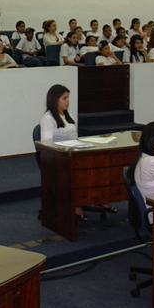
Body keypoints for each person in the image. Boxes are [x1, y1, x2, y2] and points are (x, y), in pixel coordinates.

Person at [40, 84, 115, 220]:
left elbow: (74, 137)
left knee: (98, 166)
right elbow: (47, 144)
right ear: (55, 99)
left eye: (68, 97)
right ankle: (77, 206)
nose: (68, 101)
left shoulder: (68, 115)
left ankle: (99, 197)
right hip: (59, 157)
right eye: (64, 98)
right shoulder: (48, 118)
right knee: (81, 172)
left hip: (74, 153)